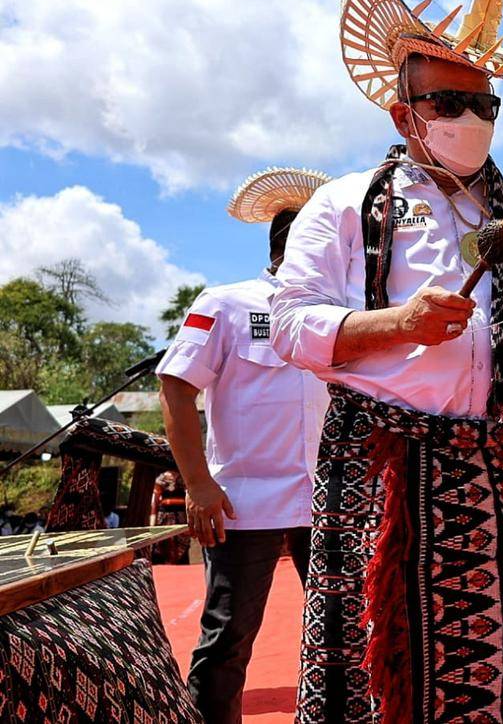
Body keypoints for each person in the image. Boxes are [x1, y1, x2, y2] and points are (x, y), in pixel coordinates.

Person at [271, 0, 503, 721]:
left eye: (484, 104)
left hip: (501, 461)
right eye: (449, 102)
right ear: (402, 113)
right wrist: (395, 324)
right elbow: (290, 324)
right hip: (382, 461)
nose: (470, 118)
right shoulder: (344, 203)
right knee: (376, 671)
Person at [157, 166, 331, 724]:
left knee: (343, 636)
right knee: (228, 640)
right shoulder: (225, 303)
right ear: (291, 246)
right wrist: (198, 484)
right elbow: (176, 387)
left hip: (330, 503)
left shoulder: (341, 316)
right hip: (244, 504)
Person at [151, 469, 191, 564]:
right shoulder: (161, 479)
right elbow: (154, 502)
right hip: (164, 518)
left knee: (182, 548)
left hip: (181, 518)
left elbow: (189, 497)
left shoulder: (184, 477)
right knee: (162, 546)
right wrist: (152, 524)